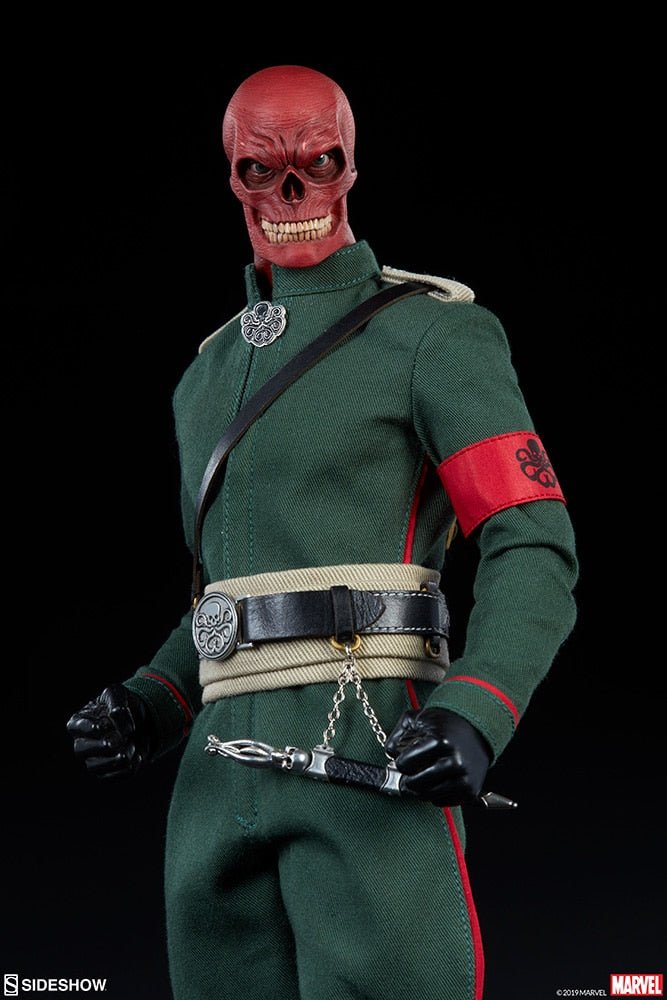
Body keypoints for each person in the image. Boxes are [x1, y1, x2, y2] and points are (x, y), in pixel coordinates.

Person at [67, 65, 578, 1000]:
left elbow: (531, 541)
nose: (293, 193)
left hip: (366, 746)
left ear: (350, 169)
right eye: (262, 170)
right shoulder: (206, 378)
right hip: (217, 784)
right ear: (233, 180)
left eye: (319, 162)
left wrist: (476, 709)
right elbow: (220, 598)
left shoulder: (431, 336)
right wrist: (151, 702)